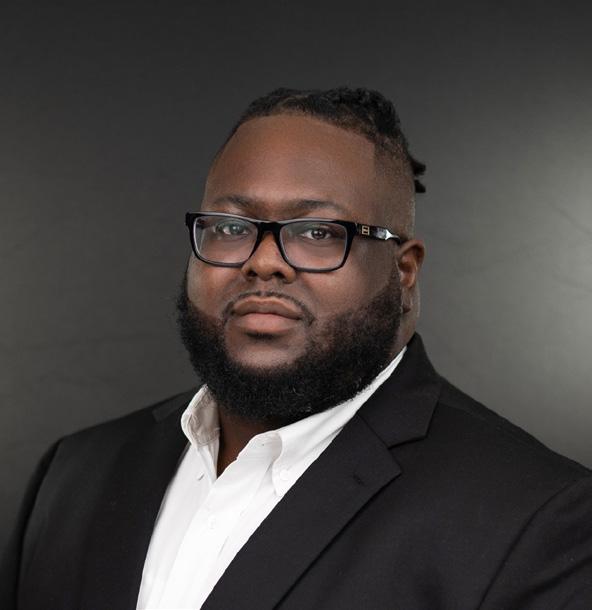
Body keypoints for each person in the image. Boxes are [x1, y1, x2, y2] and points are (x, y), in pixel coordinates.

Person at [2, 87, 592, 610]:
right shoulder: (75, 473)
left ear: (404, 271)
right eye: (230, 227)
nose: (263, 262)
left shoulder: (536, 517)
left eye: (317, 233)